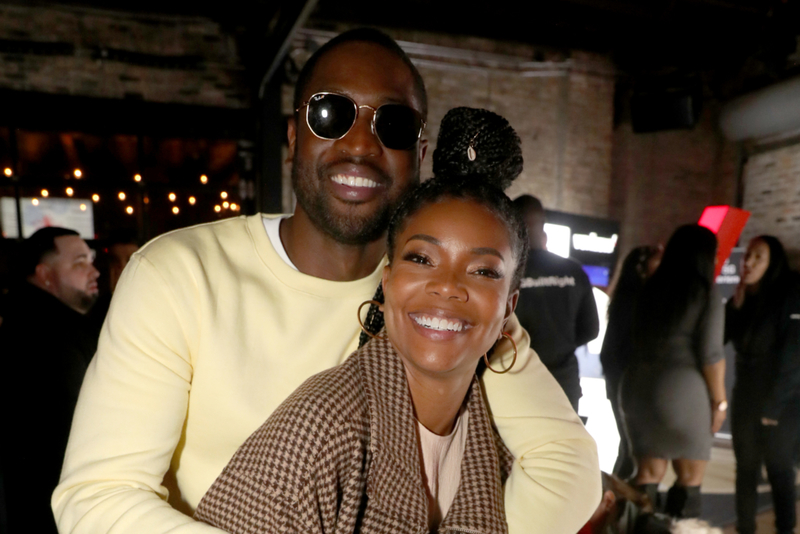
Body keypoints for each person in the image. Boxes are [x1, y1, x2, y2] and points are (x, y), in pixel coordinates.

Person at [53, 29, 600, 534]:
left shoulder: (437, 300)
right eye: (331, 114)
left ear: (421, 155)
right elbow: (98, 500)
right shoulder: (179, 274)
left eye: (393, 124)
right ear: (293, 137)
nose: (360, 145)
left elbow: (567, 468)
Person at [195, 106, 533, 533]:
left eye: (483, 270)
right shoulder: (319, 431)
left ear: (508, 307)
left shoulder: (508, 440)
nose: (447, 286)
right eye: (422, 258)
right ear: (388, 282)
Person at [620, 225, 726, 519]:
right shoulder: (705, 291)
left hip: (638, 386)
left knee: (646, 475)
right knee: (690, 480)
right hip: (681, 392)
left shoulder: (651, 288)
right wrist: (719, 402)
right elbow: (711, 355)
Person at [0, 227, 100, 534]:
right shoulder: (49, 338)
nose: (94, 271)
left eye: (92, 260)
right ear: (44, 274)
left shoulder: (30, 324)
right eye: (79, 262)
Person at [725, 236, 800, 534]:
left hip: (783, 400)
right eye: (748, 256)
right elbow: (722, 340)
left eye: (758, 257)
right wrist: (736, 306)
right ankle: (745, 529)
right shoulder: (745, 297)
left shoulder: (791, 294)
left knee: (779, 468)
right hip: (746, 395)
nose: (749, 262)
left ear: (773, 263)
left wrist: (773, 407)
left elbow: (793, 356)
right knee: (746, 469)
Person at [512, 194, 599, 411]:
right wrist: (559, 343)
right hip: (563, 384)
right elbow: (591, 329)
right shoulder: (574, 271)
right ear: (544, 229)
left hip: (515, 382)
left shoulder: (505, 274)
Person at [600, 245, 662, 480]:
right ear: (643, 269)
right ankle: (619, 505)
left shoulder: (625, 299)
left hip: (621, 380)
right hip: (629, 381)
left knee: (629, 449)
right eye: (659, 261)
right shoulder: (638, 301)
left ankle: (616, 502)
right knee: (632, 451)